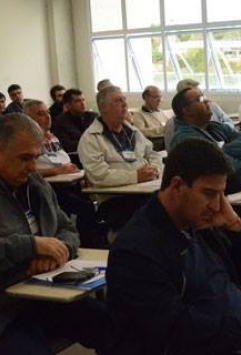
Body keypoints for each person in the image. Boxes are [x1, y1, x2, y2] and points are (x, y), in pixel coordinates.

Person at [106, 139, 241, 354]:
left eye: (222, 194)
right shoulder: (137, 249)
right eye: (209, 193)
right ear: (177, 186)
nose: (217, 205)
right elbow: (177, 330)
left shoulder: (197, 222)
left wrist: (235, 226)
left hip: (238, 334)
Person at [0, 113, 109, 354]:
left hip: (47, 295)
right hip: (7, 311)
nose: (32, 166)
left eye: (36, 157)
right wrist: (32, 245)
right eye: (24, 158)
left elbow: (67, 229)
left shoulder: (36, 184)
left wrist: (57, 251)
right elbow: (32, 244)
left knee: (116, 326)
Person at [169, 88, 241, 271]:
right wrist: (228, 154)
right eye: (200, 99)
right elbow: (225, 167)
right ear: (187, 110)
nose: (207, 101)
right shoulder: (184, 137)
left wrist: (222, 152)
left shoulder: (214, 127)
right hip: (223, 200)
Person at [78, 86, 162, 230]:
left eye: (124, 100)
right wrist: (135, 176)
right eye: (118, 101)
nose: (124, 104)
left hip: (146, 189)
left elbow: (153, 153)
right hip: (116, 199)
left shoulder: (132, 131)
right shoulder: (91, 138)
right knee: (154, 216)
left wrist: (153, 169)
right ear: (103, 107)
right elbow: (99, 175)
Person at [24, 100, 105, 248]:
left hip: (69, 182)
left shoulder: (52, 137)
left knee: (95, 202)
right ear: (28, 118)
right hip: (46, 188)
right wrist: (57, 171)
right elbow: (29, 170)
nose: (47, 117)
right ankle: (87, 244)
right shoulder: (27, 142)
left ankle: (96, 237)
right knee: (84, 208)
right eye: (40, 114)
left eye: (48, 113)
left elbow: (61, 159)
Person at [51, 88, 99, 154]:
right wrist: (90, 142)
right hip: (75, 156)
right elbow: (66, 145)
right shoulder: (61, 121)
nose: (83, 103)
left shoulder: (93, 117)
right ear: (68, 105)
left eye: (83, 100)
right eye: (77, 101)